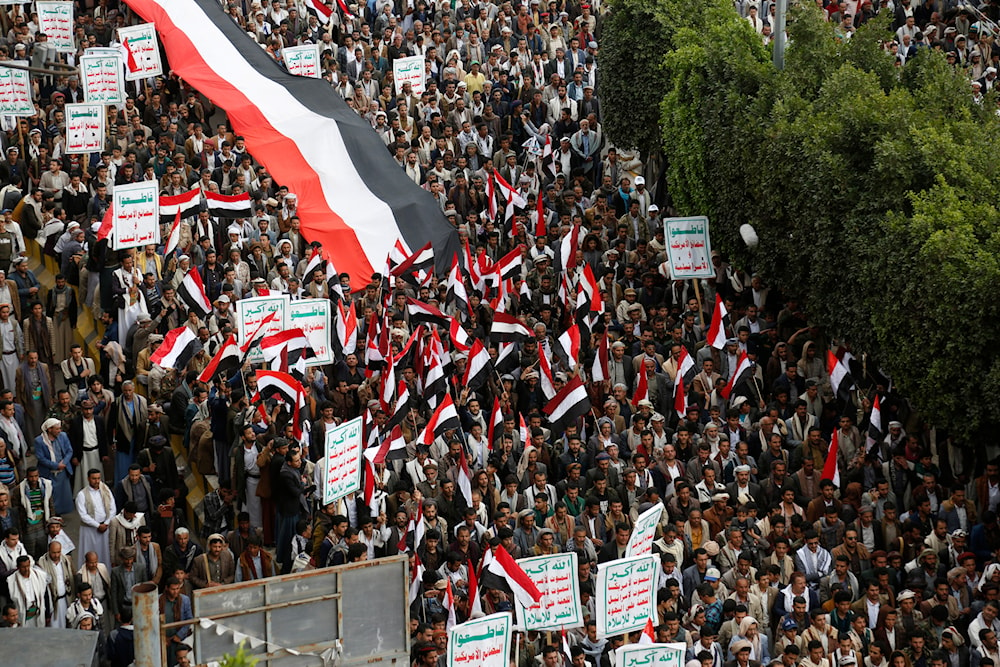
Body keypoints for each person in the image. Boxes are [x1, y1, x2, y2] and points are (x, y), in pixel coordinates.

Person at [76, 469, 116, 568]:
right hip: (89, 530)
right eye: (94, 478)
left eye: (98, 478)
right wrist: (97, 525)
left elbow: (113, 508)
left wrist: (106, 523)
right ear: (88, 479)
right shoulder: (82, 494)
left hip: (105, 527)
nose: (97, 481)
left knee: (105, 552)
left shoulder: (106, 490)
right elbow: (83, 515)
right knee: (89, 552)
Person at [33, 416, 74, 514]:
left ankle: (60, 515)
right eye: (57, 429)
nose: (59, 431)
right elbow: (41, 458)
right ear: (49, 429)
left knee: (63, 495)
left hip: (62, 472)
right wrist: (56, 465)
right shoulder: (39, 441)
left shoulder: (63, 436)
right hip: (49, 473)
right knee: (51, 496)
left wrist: (63, 463)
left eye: (60, 428)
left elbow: (69, 451)